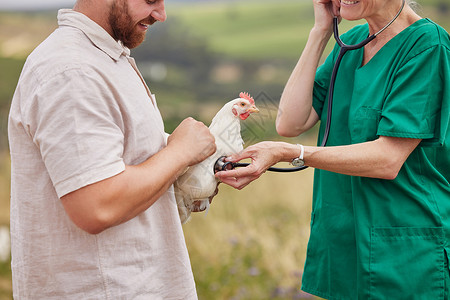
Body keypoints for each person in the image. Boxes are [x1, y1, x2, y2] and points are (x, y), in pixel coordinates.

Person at [216, 0, 450, 298]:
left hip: (404, 251)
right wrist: (320, 31)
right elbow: (290, 121)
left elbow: (387, 159)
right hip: (345, 245)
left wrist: (294, 153)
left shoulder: (427, 46)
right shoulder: (351, 43)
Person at [8, 0, 217, 298]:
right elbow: (97, 205)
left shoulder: (104, 58)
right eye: (150, 0)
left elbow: (126, 168)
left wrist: (188, 176)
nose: (161, 14)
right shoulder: (72, 72)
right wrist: (181, 152)